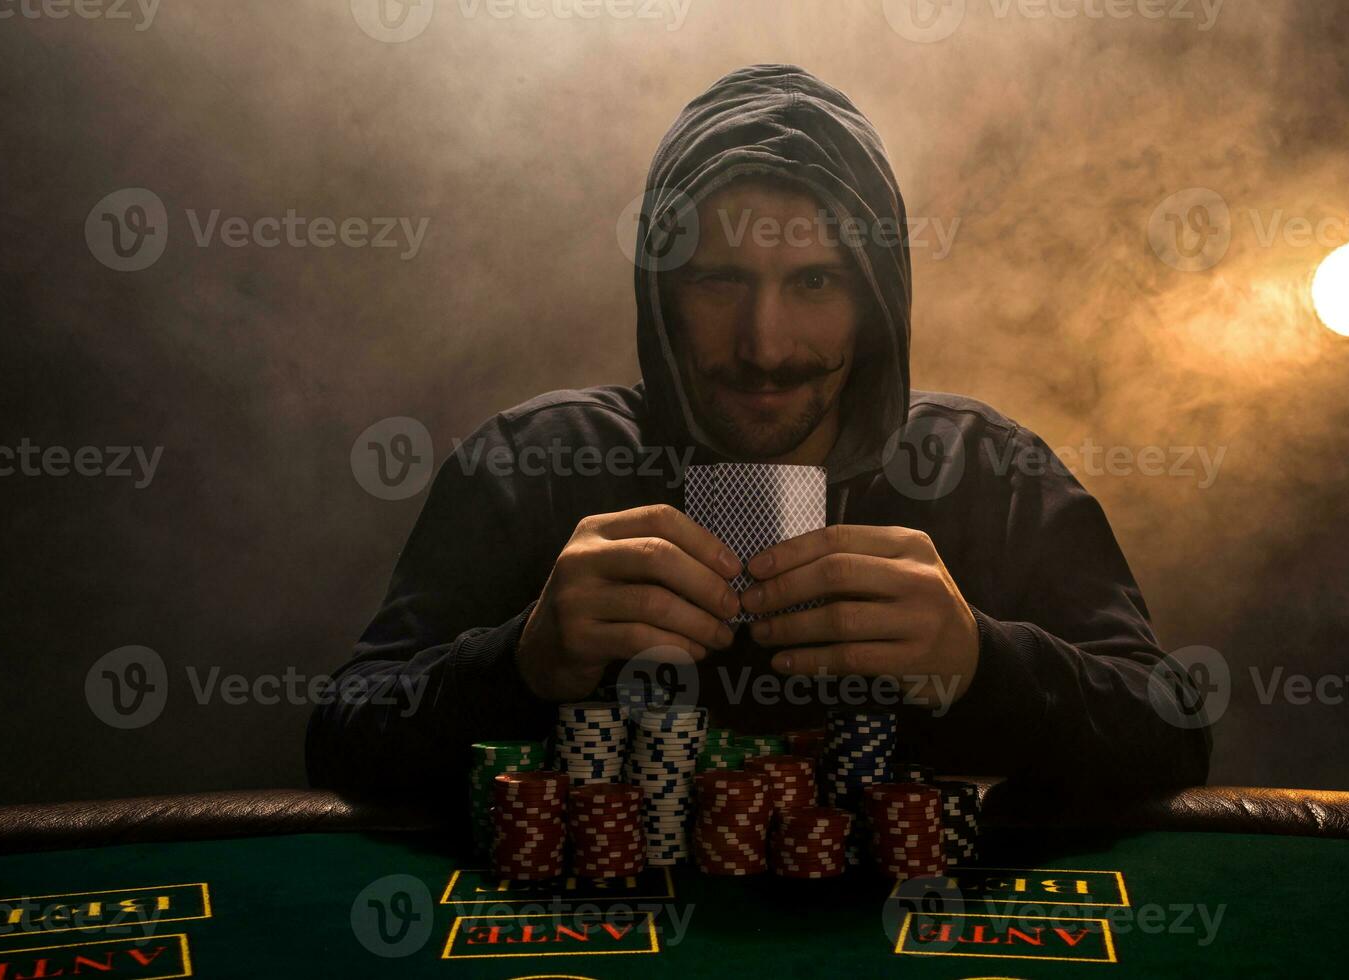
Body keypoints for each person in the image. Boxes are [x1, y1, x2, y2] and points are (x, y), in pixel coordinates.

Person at [306, 64, 1211, 804]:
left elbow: (1174, 731)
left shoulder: (991, 473)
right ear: (661, 295)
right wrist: (519, 661)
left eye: (815, 283)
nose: (764, 346)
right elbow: (339, 741)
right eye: (719, 283)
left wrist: (985, 660)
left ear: (878, 300)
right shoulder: (531, 465)